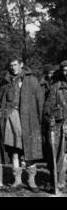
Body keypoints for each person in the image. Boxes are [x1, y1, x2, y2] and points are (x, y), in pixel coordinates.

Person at [0, 57, 44, 192]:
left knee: (29, 151)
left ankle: (32, 181)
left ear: (21, 65)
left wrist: (40, 122)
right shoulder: (6, 82)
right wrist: (1, 111)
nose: (12, 67)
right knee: (14, 151)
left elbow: (40, 101)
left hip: (29, 121)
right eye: (10, 65)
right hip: (11, 120)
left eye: (15, 64)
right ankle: (17, 181)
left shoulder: (32, 80)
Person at [43, 60, 67, 191]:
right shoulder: (55, 87)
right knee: (61, 156)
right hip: (61, 127)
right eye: (64, 70)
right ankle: (59, 181)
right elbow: (47, 108)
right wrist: (53, 117)